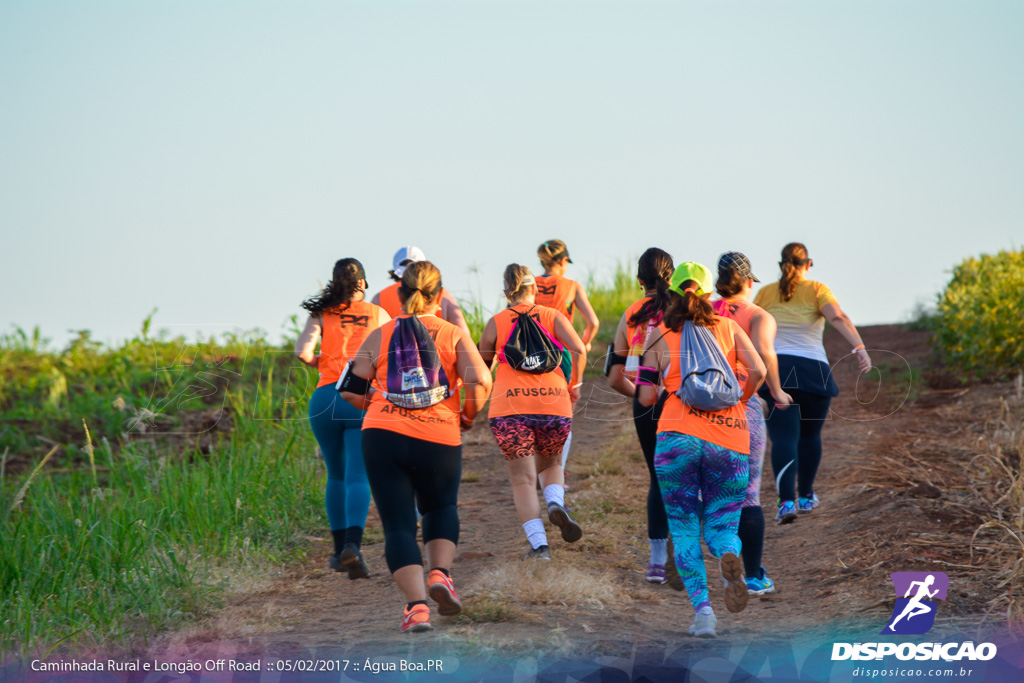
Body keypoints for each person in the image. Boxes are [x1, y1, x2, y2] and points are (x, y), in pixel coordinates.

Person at [340, 261, 492, 633]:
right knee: (440, 507)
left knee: (397, 526)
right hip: (439, 434)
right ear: (439, 295)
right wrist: (468, 414)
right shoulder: (453, 333)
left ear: (402, 294)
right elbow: (481, 379)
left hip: (383, 436)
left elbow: (349, 388)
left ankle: (417, 609)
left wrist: (377, 406)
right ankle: (440, 574)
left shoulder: (381, 333)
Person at [638, 262, 766, 638]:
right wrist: (738, 401)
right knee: (724, 520)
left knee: (683, 526)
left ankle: (705, 613)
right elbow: (757, 371)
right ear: (711, 293)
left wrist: (663, 383)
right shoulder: (728, 326)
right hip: (730, 436)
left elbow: (646, 396)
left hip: (676, 435)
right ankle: (728, 553)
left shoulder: (657, 335)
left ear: (672, 293)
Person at [753, 243, 872, 524]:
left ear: (782, 264)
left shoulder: (765, 293)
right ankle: (805, 496)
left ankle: (785, 503)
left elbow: (748, 327)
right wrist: (859, 347)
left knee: (783, 438)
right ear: (808, 264)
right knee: (809, 436)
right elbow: (838, 317)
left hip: (776, 371)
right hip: (813, 371)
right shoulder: (818, 289)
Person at [478, 264, 588, 560]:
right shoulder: (553, 316)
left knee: (523, 480)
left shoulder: (496, 322)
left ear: (505, 292)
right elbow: (579, 348)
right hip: (554, 405)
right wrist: (574, 383)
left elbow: (480, 369)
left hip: (509, 410)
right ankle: (555, 502)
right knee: (551, 466)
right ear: (534, 289)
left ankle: (540, 546)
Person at [295, 258, 389, 579]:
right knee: (358, 476)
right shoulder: (379, 314)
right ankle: (353, 544)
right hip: (360, 397)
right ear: (363, 282)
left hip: (324, 398)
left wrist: (325, 365)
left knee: (335, 475)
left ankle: (338, 553)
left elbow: (303, 353)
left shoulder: (322, 313)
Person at [711, 252, 792, 596]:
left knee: (712, 490)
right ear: (748, 282)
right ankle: (754, 576)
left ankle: (720, 552)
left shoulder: (701, 312)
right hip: (742, 406)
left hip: (701, 408)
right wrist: (777, 391)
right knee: (749, 494)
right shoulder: (759, 315)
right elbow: (764, 354)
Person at [606, 248, 676, 583]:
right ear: (671, 276)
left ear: (638, 281)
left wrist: (641, 395)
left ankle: (657, 563)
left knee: (657, 478)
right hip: (682, 401)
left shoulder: (630, 314)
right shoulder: (682, 309)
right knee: (689, 476)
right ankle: (689, 550)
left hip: (645, 402)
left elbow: (613, 374)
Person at [535, 239, 600, 474]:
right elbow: (593, 322)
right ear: (563, 261)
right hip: (561, 353)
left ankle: (535, 467)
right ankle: (556, 473)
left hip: (529, 353)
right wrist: (584, 342)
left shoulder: (528, 284)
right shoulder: (571, 285)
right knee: (562, 417)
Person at [372, 246, 474, 340]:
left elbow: (372, 339)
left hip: (393, 358)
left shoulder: (379, 298)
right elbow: (464, 333)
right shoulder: (441, 294)